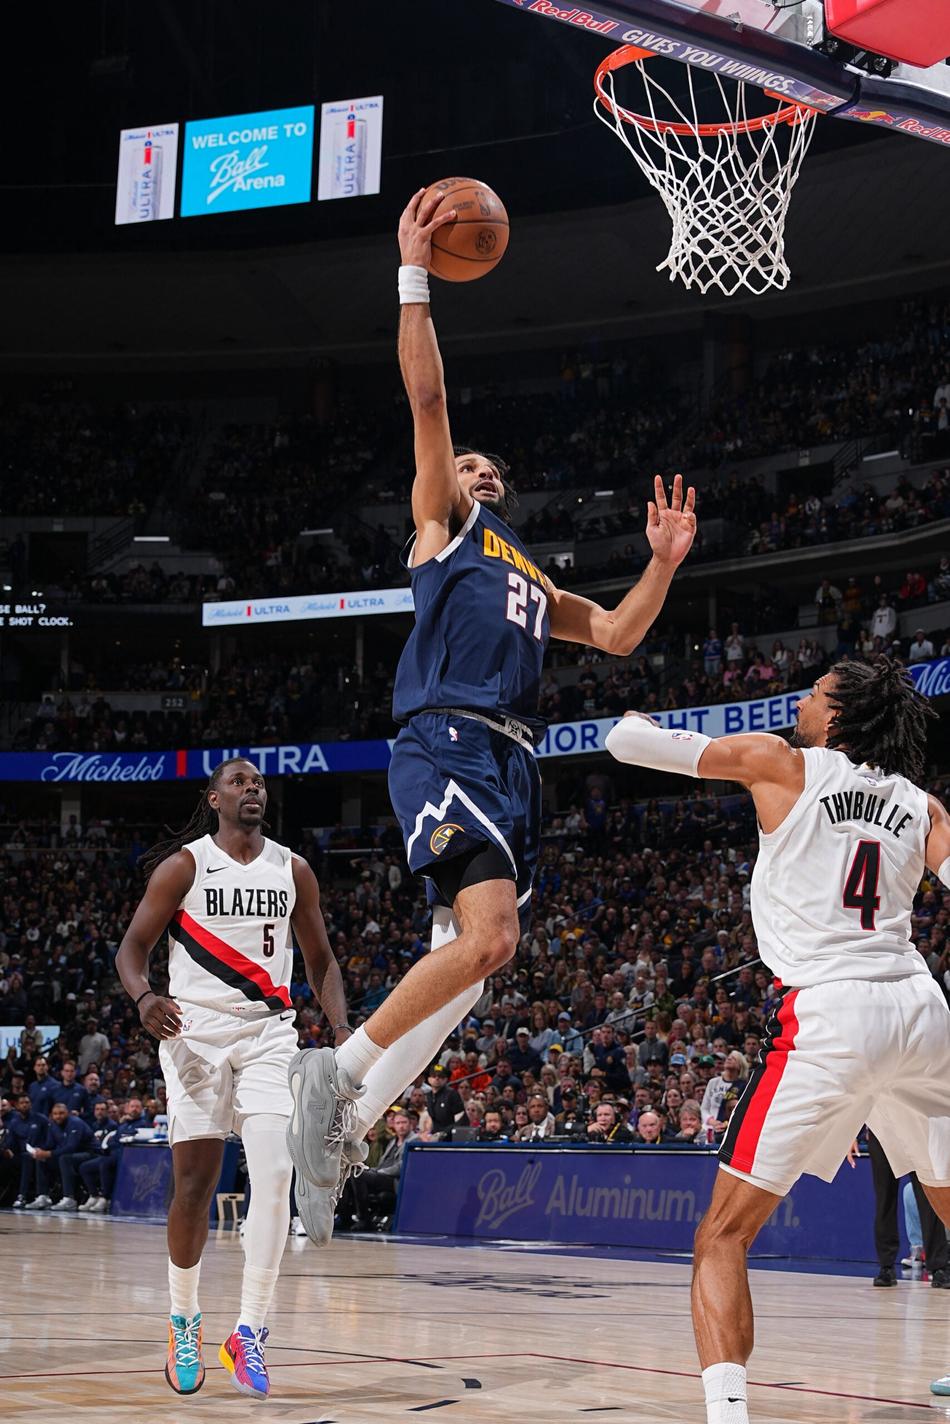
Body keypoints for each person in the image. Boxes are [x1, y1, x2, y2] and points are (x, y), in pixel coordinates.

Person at [285, 186, 697, 1241]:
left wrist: (657, 566)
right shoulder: (443, 530)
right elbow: (427, 405)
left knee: (468, 973)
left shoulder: (526, 569)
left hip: (511, 765)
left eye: (487, 469)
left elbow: (612, 635)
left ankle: (342, 1125)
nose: (476, 469)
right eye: (467, 466)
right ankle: (330, 1078)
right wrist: (413, 276)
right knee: (493, 936)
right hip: (447, 735)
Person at [606, 655, 950, 1420]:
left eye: (815, 690)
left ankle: (728, 1415)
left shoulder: (780, 761)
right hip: (921, 1009)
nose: (801, 698)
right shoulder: (922, 805)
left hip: (830, 1014)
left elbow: (629, 745)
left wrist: (631, 719)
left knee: (721, 1236)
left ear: (835, 716)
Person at [115, 757, 350, 1401]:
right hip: (194, 1033)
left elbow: (322, 960)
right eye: (240, 782)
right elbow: (131, 949)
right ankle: (183, 1319)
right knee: (194, 1185)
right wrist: (142, 1000)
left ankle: (249, 1331)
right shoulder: (185, 866)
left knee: (277, 1173)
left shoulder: (292, 869)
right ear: (213, 797)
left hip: (270, 1032)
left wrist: (342, 1029)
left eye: (260, 783)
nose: (254, 789)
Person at [864, 1128, 949, 1288]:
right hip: (881, 1130)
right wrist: (851, 1135)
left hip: (913, 1128)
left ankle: (939, 1267)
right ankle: (886, 1267)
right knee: (885, 1200)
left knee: (927, 1197)